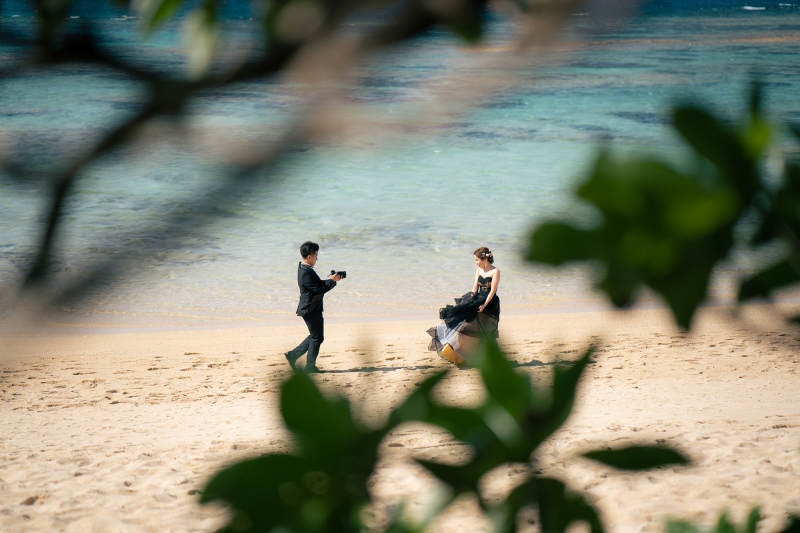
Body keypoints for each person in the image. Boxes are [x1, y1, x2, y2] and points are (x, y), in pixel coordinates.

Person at [427, 246, 500, 366]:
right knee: (465, 324)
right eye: (475, 260)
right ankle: (455, 353)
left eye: (477, 260)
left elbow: (493, 291)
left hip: (490, 303)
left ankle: (484, 358)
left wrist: (484, 305)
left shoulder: (495, 271)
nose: (476, 263)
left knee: (484, 331)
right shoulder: (478, 271)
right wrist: (470, 301)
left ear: (484, 259)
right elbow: (475, 288)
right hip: (478, 300)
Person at [284, 241, 343, 373]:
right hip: (309, 309)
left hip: (312, 308)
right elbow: (318, 289)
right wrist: (332, 281)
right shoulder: (305, 272)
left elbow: (318, 285)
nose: (317, 258)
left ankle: (293, 355)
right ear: (309, 256)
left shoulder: (306, 269)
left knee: (315, 336)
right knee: (317, 337)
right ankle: (309, 366)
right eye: (316, 255)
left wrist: (332, 280)